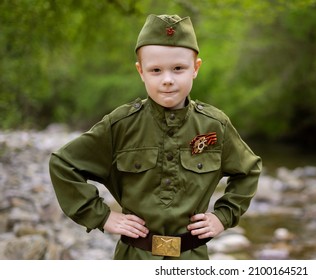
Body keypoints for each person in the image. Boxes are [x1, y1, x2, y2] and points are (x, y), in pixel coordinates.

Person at [48, 14, 262, 260]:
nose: (168, 80)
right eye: (156, 70)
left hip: (192, 259)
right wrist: (104, 216)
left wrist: (223, 217)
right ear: (141, 72)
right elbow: (64, 164)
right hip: (134, 258)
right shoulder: (121, 125)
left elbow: (249, 170)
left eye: (178, 69)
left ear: (196, 68)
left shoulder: (214, 126)